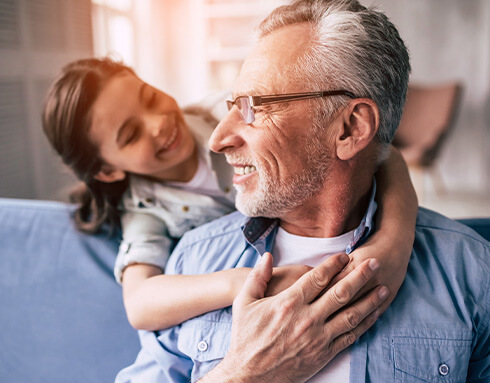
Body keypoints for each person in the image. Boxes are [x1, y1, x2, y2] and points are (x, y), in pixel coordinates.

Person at [115, 0, 490, 382]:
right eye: (231, 105)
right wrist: (246, 372)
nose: (218, 139)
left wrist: (394, 239)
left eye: (253, 108)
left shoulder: (468, 272)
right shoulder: (193, 261)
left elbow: (387, 157)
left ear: (349, 129)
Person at [42, 55, 417, 332]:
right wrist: (243, 282)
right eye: (130, 135)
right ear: (108, 170)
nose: (158, 124)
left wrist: (393, 244)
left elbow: (383, 154)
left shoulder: (223, 111)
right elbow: (140, 304)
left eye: (150, 98)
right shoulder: (145, 210)